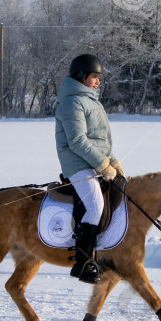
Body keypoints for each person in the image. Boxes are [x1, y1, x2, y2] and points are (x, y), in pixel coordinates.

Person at [55, 54, 123, 284]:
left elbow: (101, 140)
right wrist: (102, 164)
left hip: (94, 162)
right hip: (77, 165)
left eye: (98, 77)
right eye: (94, 77)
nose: (98, 82)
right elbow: (78, 142)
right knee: (95, 206)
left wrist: (114, 163)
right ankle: (82, 263)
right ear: (81, 77)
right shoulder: (71, 103)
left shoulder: (92, 102)